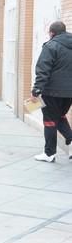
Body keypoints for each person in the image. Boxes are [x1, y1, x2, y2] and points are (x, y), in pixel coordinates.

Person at [31, 21, 72, 162]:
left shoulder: (51, 46)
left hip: (52, 92)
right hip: (69, 93)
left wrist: (36, 90)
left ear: (52, 33)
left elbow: (43, 69)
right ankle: (71, 140)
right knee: (60, 116)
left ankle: (49, 154)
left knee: (49, 121)